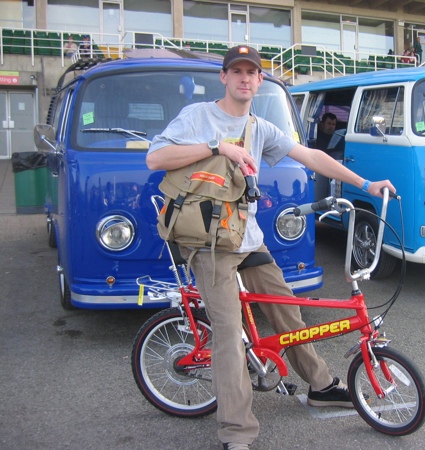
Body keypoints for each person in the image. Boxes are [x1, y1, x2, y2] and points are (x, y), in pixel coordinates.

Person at [147, 45, 395, 450]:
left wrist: (367, 185)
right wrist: (217, 148)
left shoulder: (261, 128)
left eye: (252, 73)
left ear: (260, 81)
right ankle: (237, 433)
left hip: (247, 239)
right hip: (209, 245)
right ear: (224, 78)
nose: (245, 78)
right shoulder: (198, 118)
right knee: (229, 335)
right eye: (237, 71)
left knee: (287, 311)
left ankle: (320, 384)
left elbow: (312, 155)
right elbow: (156, 158)